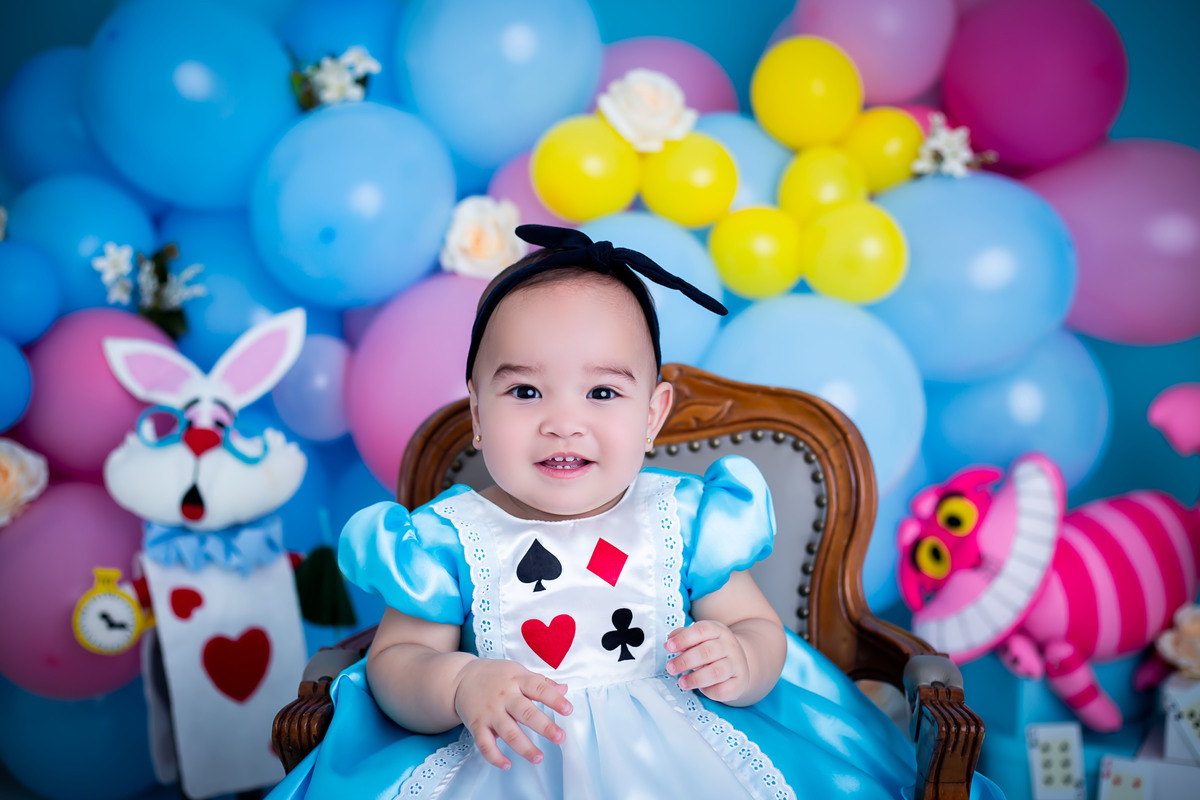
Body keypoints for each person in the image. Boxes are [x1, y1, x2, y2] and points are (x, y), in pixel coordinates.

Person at [269, 225, 1004, 800]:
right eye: (525, 393)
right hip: (505, 753)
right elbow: (397, 663)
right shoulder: (448, 538)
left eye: (602, 394)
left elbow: (758, 629)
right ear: (478, 411)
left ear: (653, 415)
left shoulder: (680, 516)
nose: (564, 423)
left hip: (682, 748)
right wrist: (460, 684)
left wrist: (742, 658)